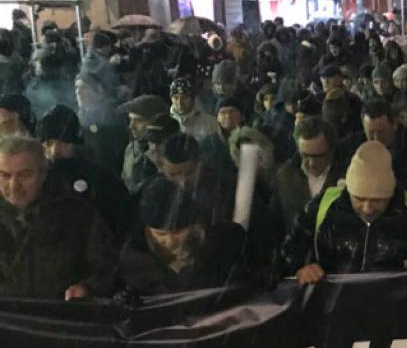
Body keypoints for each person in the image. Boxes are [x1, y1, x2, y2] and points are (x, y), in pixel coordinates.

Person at [0, 134, 116, 299]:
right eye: (4, 175)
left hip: (60, 317)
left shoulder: (79, 215)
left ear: (43, 173)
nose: (14, 186)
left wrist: (87, 288)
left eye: (25, 175)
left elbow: (108, 269)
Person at [117, 178, 248, 295]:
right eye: (160, 234)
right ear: (146, 229)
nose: (170, 241)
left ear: (193, 225)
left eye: (178, 232)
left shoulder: (224, 243)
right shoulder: (132, 259)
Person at [36, 105, 135, 240]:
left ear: (75, 142)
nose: (55, 151)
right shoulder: (35, 178)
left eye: (63, 143)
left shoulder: (101, 179)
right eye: (48, 143)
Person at [270, 117, 340, 233]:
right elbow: (275, 222)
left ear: (331, 150)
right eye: (305, 156)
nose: (311, 163)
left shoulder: (346, 177)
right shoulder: (285, 176)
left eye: (318, 156)